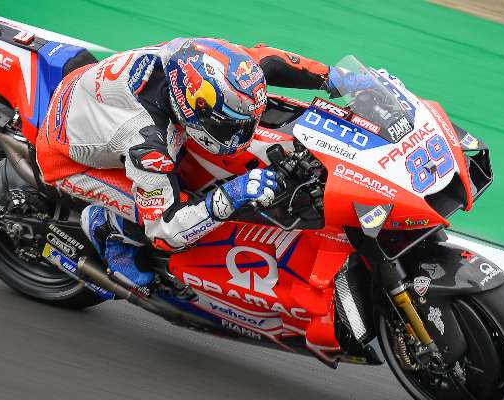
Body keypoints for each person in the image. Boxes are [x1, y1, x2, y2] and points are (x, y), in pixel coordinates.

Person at [35, 37, 365, 291]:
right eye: (230, 125)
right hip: (68, 159)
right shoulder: (147, 142)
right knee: (169, 212)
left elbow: (269, 61)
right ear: (193, 110)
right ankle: (109, 228)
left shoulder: (211, 64)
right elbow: (164, 230)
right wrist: (230, 196)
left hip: (98, 97)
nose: (241, 133)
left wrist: (336, 78)